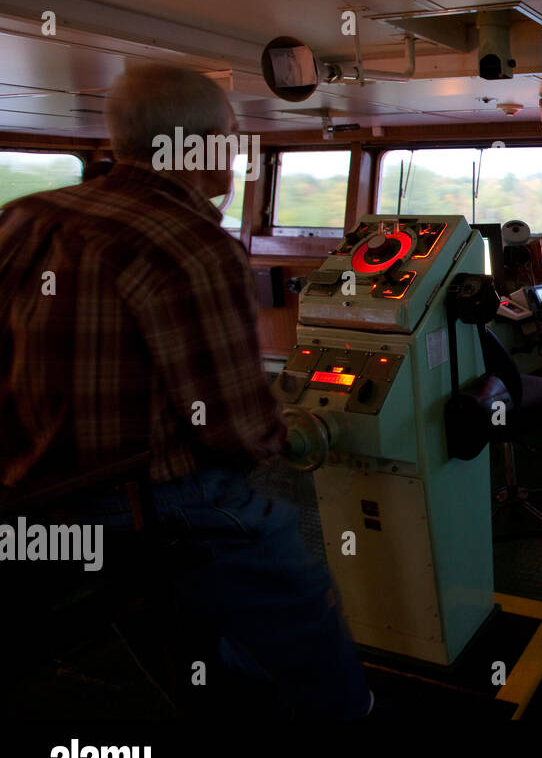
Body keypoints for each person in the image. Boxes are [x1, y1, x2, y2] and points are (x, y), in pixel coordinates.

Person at [0, 64, 371, 717]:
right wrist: (292, 435)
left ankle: (214, 689)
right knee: (301, 586)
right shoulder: (193, 245)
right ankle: (346, 715)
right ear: (207, 144)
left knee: (170, 608)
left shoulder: (21, 218)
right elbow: (233, 430)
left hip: (25, 498)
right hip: (151, 501)